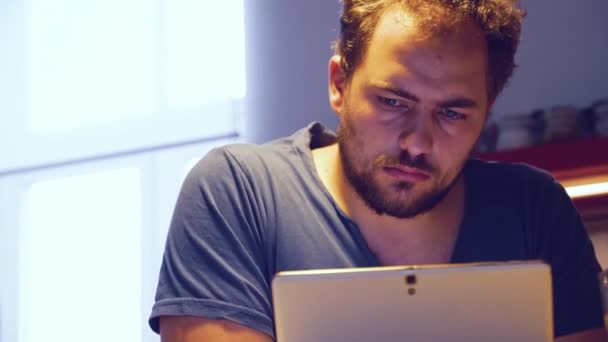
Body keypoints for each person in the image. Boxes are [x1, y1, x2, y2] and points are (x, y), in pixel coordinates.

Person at [150, 1, 607, 341]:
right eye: (393, 102)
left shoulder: (534, 211)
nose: (417, 141)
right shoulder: (239, 193)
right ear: (339, 84)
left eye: (452, 114)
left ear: (486, 114)